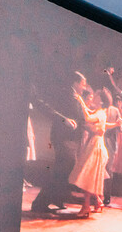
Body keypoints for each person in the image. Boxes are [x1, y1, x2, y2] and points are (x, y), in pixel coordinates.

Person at [30, 71, 86, 213]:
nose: (84, 87)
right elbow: (53, 110)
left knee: (66, 167)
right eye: (83, 84)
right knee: (63, 167)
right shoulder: (66, 94)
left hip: (69, 138)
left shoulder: (76, 97)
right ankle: (40, 203)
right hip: (63, 137)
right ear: (75, 83)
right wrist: (64, 120)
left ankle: (57, 198)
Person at [68, 88, 119, 217]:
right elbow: (98, 120)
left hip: (96, 145)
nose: (93, 97)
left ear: (101, 100)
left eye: (95, 96)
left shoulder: (100, 113)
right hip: (94, 143)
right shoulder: (100, 112)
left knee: (88, 176)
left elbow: (88, 117)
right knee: (89, 176)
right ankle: (97, 201)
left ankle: (86, 206)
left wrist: (80, 101)